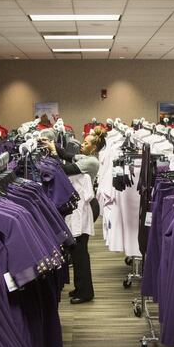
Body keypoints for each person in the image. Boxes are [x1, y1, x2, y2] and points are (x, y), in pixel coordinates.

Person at [40, 127, 106, 304]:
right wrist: (51, 145)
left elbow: (64, 169)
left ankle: (86, 292)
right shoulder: (86, 157)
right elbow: (68, 155)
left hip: (85, 209)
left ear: (93, 148)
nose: (81, 145)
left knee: (80, 252)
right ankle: (80, 287)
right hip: (79, 208)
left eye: (85, 143)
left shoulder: (92, 162)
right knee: (77, 251)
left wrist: (54, 155)